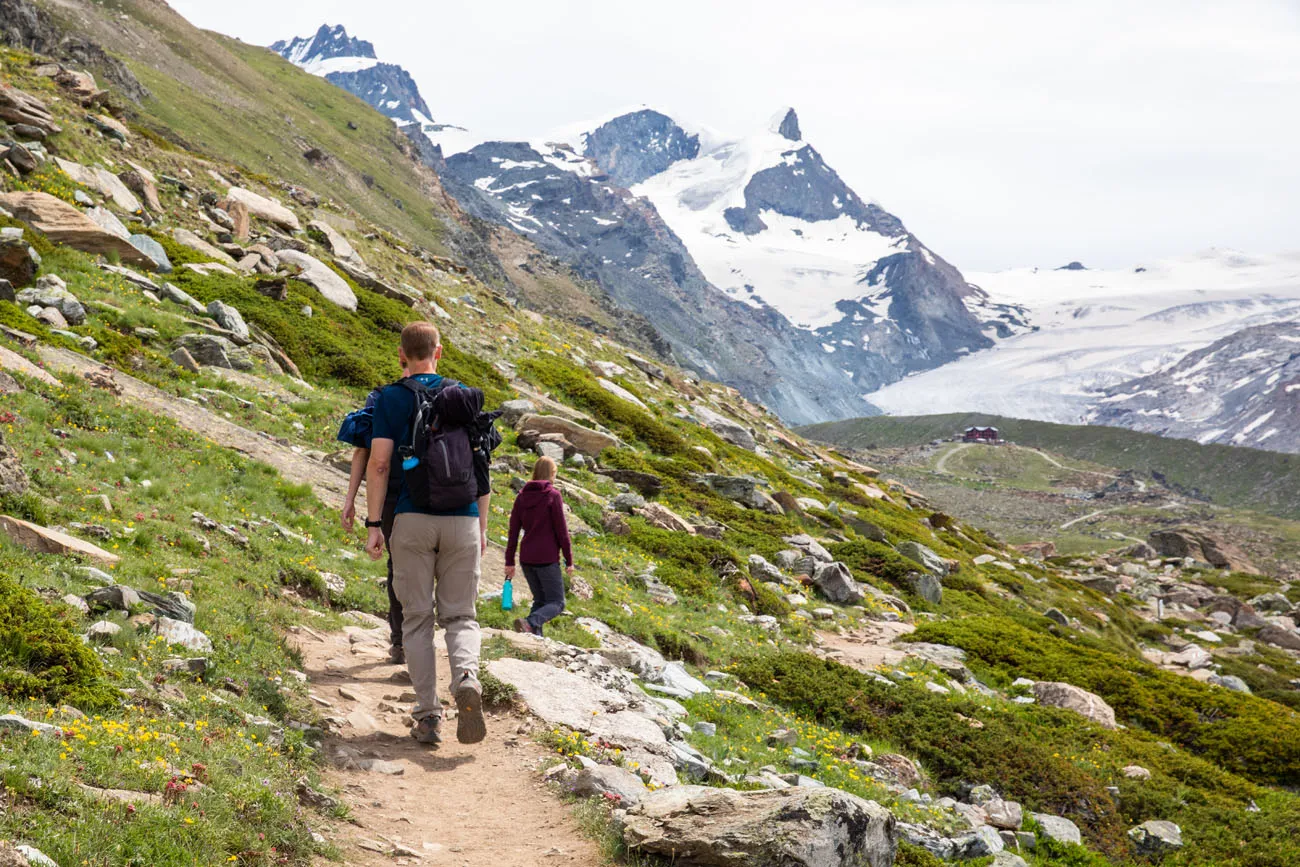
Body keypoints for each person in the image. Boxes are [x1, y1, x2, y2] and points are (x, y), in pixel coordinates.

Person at [364, 322, 490, 746]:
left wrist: (374, 523)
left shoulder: (391, 398)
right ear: (440, 352)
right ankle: (467, 678)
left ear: (401, 355)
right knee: (461, 616)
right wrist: (482, 528)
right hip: (464, 518)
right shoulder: (462, 396)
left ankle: (428, 716)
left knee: (417, 618)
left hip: (411, 519)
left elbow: (379, 464)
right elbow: (481, 470)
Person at [340, 370, 408, 665]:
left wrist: (352, 500)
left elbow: (364, 452)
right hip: (436, 498)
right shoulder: (444, 394)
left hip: (392, 497)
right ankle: (412, 642)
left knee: (399, 568)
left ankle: (401, 643)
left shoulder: (383, 397)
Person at [505, 456, 574, 637]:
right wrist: (569, 560)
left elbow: (513, 531)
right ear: (552, 474)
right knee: (557, 603)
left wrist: (509, 561)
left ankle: (533, 640)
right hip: (546, 558)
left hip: (526, 558)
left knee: (541, 601)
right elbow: (562, 531)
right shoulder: (553, 496)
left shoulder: (521, 497)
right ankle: (530, 623)